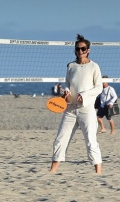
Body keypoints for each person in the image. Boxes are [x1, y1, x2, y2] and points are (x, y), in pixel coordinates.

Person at [50, 34, 103, 174]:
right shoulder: (71, 66)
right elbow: (68, 83)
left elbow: (99, 87)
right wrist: (66, 92)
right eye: (77, 49)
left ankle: (98, 172)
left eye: (83, 49)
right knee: (60, 139)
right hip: (70, 109)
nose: (80, 51)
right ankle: (52, 170)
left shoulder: (94, 66)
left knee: (91, 141)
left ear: (88, 50)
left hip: (87, 109)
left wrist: (84, 95)